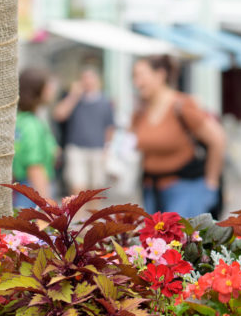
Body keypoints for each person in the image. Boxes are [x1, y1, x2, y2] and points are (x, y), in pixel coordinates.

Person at [131, 55, 226, 218]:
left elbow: (218, 139)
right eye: (134, 76)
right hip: (151, 190)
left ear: (160, 75)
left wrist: (211, 184)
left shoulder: (182, 105)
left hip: (185, 189)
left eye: (141, 76)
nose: (136, 83)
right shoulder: (141, 111)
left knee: (180, 241)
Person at [52, 66, 116, 196]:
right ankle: (78, 216)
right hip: (76, 148)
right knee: (77, 186)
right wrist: (74, 95)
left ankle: (92, 216)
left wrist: (108, 148)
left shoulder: (104, 101)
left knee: (95, 189)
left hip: (97, 149)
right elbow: (58, 114)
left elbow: (110, 127)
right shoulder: (74, 99)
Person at [12, 67, 58, 208]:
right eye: (48, 85)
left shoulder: (19, 120)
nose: (53, 89)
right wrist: (47, 206)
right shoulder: (32, 124)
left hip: (20, 192)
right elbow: (34, 166)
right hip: (33, 193)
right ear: (37, 90)